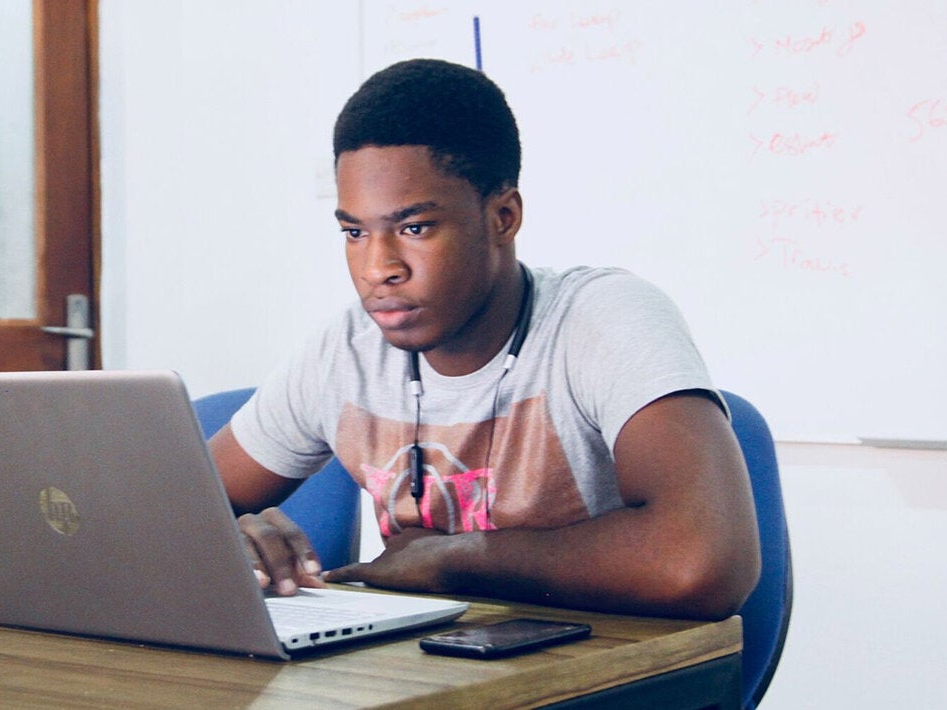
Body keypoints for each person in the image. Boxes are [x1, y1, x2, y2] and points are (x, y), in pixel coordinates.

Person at [209, 58, 760, 620]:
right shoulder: (346, 351)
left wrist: (456, 559)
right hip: (426, 665)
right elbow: (168, 513)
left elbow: (702, 562)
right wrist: (233, 539)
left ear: (503, 216)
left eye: (414, 228)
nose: (378, 268)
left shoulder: (602, 319)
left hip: (603, 663)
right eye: (354, 232)